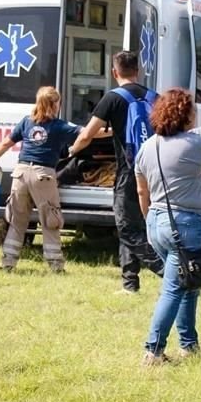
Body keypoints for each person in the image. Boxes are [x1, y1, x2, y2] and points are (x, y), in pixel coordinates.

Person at [134, 88, 201, 365]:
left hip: (156, 223)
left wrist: (151, 218)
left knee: (187, 281)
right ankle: (153, 350)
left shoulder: (147, 146)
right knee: (174, 289)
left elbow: (142, 192)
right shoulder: (194, 143)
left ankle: (189, 343)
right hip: (187, 224)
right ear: (186, 115)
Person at [68, 51, 164, 292]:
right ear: (138, 71)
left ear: (114, 72)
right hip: (155, 170)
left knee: (126, 226)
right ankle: (130, 283)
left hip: (129, 171)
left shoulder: (112, 98)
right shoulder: (155, 97)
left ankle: (169, 271)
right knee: (136, 224)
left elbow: (88, 134)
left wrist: (71, 150)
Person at [0, 86, 80, 273]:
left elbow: (7, 142)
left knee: (17, 221)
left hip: (20, 174)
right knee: (50, 220)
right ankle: (55, 266)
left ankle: (8, 264)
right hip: (43, 176)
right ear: (55, 104)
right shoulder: (59, 126)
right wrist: (112, 130)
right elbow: (88, 132)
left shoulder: (26, 122)